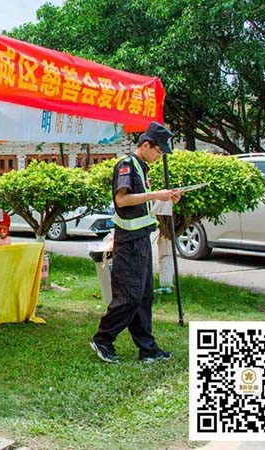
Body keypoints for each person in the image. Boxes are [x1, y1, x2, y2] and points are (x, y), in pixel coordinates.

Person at [90, 121, 182, 364]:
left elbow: (142, 204)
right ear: (147, 144)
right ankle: (103, 339)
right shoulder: (127, 165)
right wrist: (156, 194)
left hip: (141, 240)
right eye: (159, 151)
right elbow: (122, 200)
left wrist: (166, 196)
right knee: (129, 296)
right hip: (128, 242)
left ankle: (148, 348)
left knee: (144, 297)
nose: (158, 156)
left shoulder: (141, 168)